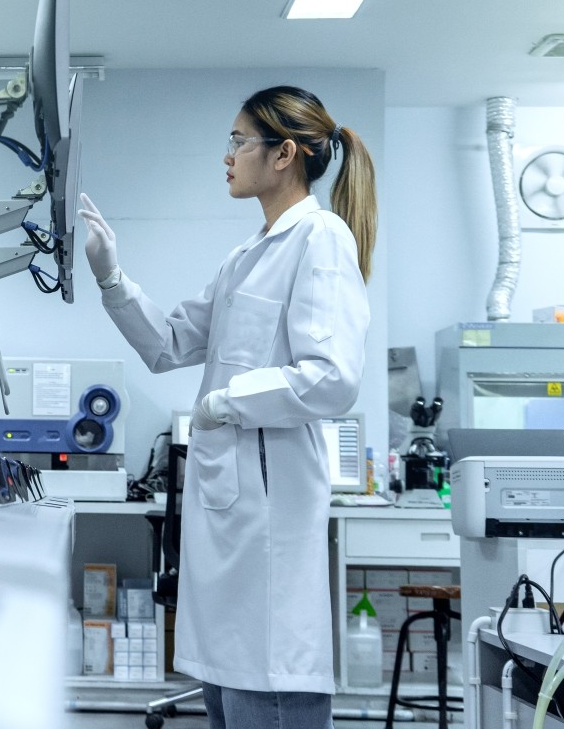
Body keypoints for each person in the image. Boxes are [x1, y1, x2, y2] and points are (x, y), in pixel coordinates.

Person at [78, 85, 375, 728]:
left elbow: (333, 379)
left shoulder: (320, 240)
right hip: (227, 522)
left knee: (267, 685)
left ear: (284, 153)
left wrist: (224, 402)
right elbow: (169, 345)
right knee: (227, 692)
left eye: (240, 141)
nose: (229, 155)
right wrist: (110, 277)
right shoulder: (244, 258)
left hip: (268, 522)